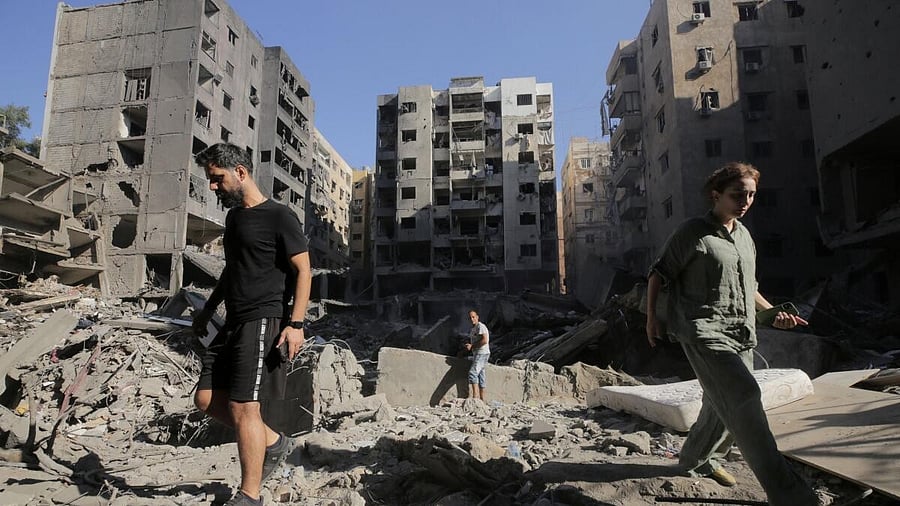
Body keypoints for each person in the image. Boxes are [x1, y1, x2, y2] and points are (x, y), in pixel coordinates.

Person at [645, 162, 818, 506]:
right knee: (744, 398)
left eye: (752, 194)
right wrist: (652, 318)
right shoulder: (692, 232)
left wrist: (772, 314)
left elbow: (749, 287)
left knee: (716, 404)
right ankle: (789, 494)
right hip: (703, 333)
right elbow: (658, 274)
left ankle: (696, 460)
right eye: (738, 194)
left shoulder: (743, 236)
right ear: (716, 195)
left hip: (741, 332)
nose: (746, 201)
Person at [191, 143, 312, 506]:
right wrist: (208, 308)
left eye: (217, 179)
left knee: (246, 408)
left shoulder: (279, 216)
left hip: (263, 319)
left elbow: (304, 269)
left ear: (240, 172)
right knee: (207, 399)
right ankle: (274, 442)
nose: (213, 187)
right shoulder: (234, 219)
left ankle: (250, 495)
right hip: (234, 320)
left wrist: (296, 323)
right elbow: (233, 269)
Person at [464, 310, 490, 400]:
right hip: (478, 354)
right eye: (470, 318)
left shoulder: (480, 326)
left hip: (482, 353)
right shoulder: (473, 329)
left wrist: (472, 346)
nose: (472, 319)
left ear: (477, 317)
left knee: (472, 373)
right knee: (481, 376)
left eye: (473, 317)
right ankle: (482, 400)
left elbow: (485, 340)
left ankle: (475, 398)